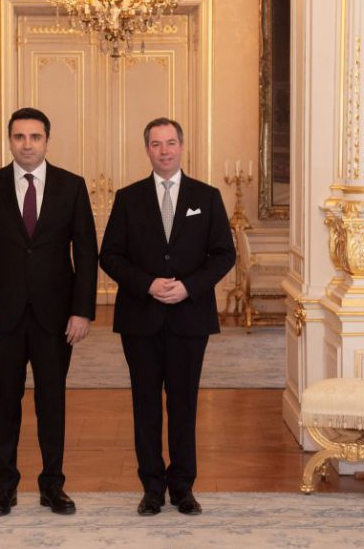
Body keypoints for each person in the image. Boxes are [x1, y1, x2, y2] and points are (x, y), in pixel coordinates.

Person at [0, 107, 98, 517]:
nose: (27, 144)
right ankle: (3, 488)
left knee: (51, 403)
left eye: (34, 137)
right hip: (0, 318)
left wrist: (82, 312)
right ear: (10, 141)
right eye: (19, 137)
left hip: (56, 318)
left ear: (46, 141)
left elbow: (87, 252)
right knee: (5, 402)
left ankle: (52, 487)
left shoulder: (71, 187)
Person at [99, 117, 235, 516]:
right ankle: (152, 489)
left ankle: (183, 488)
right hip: (140, 318)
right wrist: (147, 284)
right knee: (145, 404)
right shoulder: (128, 198)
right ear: (147, 150)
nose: (164, 150)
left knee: (184, 404)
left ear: (182, 146)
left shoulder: (206, 197)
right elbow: (110, 255)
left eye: (171, 142)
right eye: (156, 144)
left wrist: (189, 286)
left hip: (190, 318)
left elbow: (224, 254)